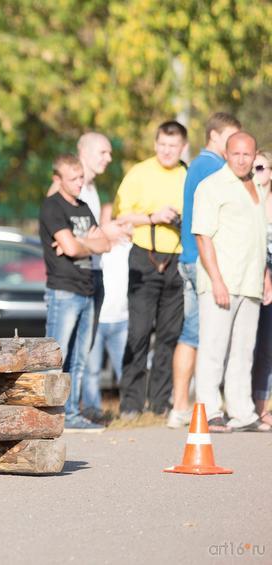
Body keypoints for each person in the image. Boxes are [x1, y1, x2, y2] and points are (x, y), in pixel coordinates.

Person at [193, 132, 271, 432]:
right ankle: (209, 410)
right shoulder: (212, 186)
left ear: (254, 156)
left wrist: (265, 276)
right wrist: (217, 280)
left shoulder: (258, 188)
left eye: (247, 154)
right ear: (226, 154)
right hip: (221, 282)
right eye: (236, 154)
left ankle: (242, 410)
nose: (242, 159)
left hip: (250, 282)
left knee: (243, 349)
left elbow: (257, 238)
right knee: (214, 348)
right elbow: (203, 236)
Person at [168, 112, 241, 428]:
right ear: (215, 135)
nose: (235, 145)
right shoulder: (210, 165)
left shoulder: (200, 165)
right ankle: (182, 404)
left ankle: (188, 402)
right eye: (231, 137)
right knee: (196, 332)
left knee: (200, 332)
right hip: (200, 258)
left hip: (196, 257)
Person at [113, 121, 188, 418]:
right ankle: (130, 405)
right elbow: (121, 216)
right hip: (144, 258)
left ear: (182, 147)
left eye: (173, 146)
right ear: (155, 143)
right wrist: (152, 217)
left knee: (170, 335)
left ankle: (159, 403)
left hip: (178, 259)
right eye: (162, 145)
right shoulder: (139, 172)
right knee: (139, 333)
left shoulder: (187, 174)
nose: (167, 151)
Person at [40, 154, 110, 432]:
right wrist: (84, 242)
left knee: (79, 357)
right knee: (57, 355)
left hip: (88, 287)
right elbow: (68, 250)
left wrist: (81, 242)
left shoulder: (83, 207)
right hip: (64, 290)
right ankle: (48, 414)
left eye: (81, 177)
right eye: (73, 179)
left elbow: (104, 243)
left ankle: (72, 413)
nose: (80, 183)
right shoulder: (52, 207)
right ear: (58, 180)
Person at [82, 204, 131, 423]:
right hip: (99, 319)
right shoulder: (98, 249)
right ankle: (92, 411)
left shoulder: (126, 247)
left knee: (125, 369)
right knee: (91, 371)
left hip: (122, 319)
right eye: (112, 222)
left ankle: (130, 410)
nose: (117, 226)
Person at [251, 149, 272, 427]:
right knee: (245, 346)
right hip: (249, 275)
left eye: (260, 168)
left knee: (267, 346)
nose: (256, 173)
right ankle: (245, 406)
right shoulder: (246, 200)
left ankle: (261, 407)